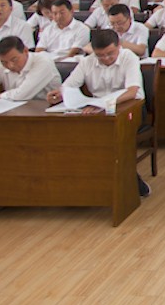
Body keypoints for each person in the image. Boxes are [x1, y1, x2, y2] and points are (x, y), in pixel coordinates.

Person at [46, 29, 150, 197]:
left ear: (119, 46)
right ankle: (88, 183)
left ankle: (129, 181)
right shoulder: (87, 62)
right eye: (100, 55)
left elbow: (132, 91)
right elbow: (69, 85)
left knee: (109, 137)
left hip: (130, 107)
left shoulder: (128, 57)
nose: (106, 58)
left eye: (110, 53)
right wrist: (59, 93)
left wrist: (103, 104)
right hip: (98, 110)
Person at [0, 36, 61, 101]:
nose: (10, 66)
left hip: (46, 104)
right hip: (18, 105)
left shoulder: (43, 62)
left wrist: (1, 95)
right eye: (4, 62)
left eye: (14, 60)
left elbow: (22, 95)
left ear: (25, 51)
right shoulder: (2, 63)